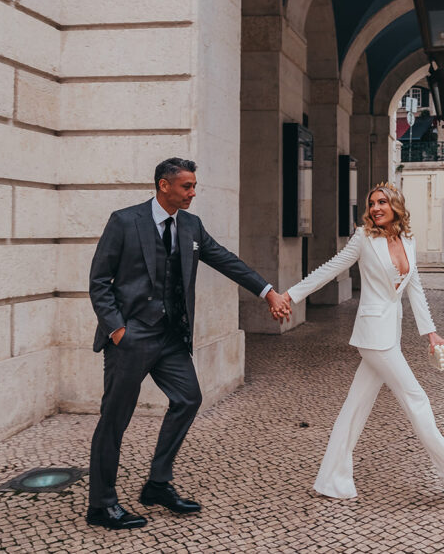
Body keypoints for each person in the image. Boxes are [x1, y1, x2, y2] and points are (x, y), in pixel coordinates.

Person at [86, 157, 292, 529]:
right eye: (187, 186)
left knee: (188, 399)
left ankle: (157, 484)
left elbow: (226, 260)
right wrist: (118, 330)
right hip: (132, 337)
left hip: (170, 337)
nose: (193, 193)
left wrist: (268, 292)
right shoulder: (125, 221)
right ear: (164, 185)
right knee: (115, 419)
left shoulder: (191, 225)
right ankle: (101, 505)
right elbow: (99, 281)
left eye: (194, 186)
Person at [284, 182, 444, 499]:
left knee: (354, 409)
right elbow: (331, 268)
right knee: (417, 399)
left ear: (396, 206)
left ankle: (331, 481)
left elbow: (414, 288)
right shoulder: (363, 238)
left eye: (382, 202)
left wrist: (430, 332)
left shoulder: (408, 240)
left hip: (390, 333)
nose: (375, 208)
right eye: (372, 203)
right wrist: (290, 295)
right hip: (374, 336)